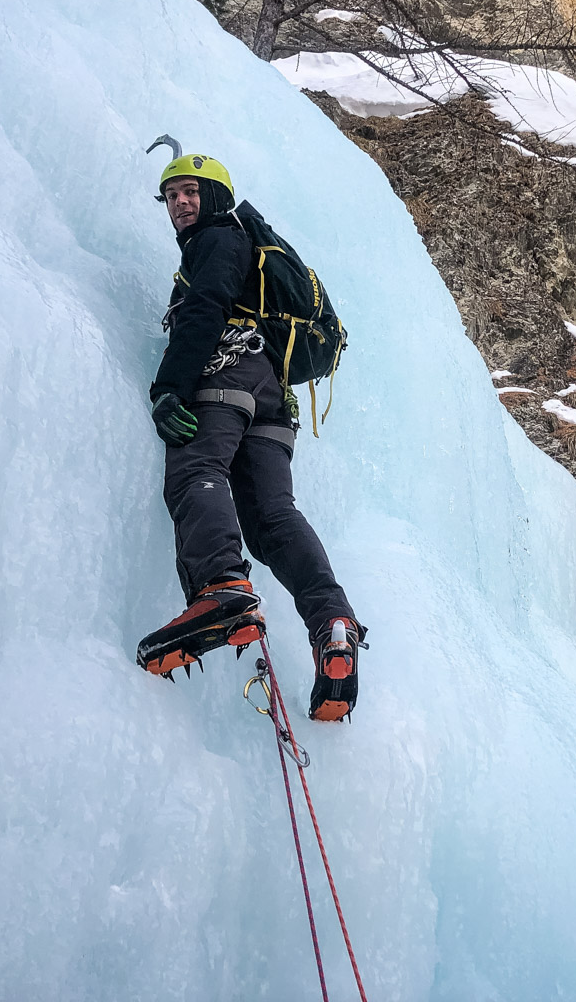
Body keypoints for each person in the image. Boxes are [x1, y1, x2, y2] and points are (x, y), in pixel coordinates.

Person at [135, 150, 365, 722]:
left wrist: (170, 387)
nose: (181, 204)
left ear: (215, 195)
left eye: (191, 191)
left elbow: (205, 307)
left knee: (196, 469)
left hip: (228, 368)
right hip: (270, 389)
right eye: (171, 196)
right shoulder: (247, 248)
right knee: (272, 518)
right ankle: (332, 624)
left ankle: (221, 587)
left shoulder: (218, 239)